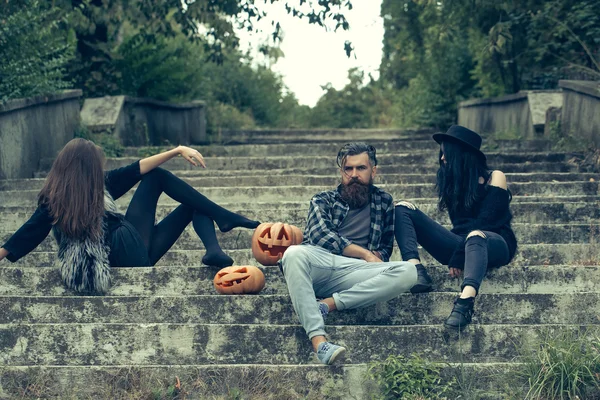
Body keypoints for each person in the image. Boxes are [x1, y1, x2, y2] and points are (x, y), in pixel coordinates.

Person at [0, 138, 260, 293]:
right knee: (156, 177)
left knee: (190, 204)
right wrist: (177, 150)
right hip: (126, 246)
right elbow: (140, 170)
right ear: (89, 167)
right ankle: (224, 219)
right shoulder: (97, 186)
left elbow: (26, 234)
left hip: (133, 258)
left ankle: (213, 250)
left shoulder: (54, 201)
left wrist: (176, 150)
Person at [281, 142, 418, 365]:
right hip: (321, 265)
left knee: (409, 271)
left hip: (355, 273)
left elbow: (385, 248)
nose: (354, 175)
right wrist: (364, 254)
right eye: (348, 169)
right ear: (341, 172)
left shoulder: (384, 202)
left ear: (373, 171)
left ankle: (326, 305)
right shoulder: (322, 199)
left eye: (361, 168)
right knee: (294, 253)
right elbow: (319, 236)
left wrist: (373, 257)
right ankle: (320, 343)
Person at [394, 125, 517, 331]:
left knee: (476, 235)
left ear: (461, 153)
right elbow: (459, 226)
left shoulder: (495, 177)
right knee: (402, 208)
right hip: (461, 243)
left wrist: (459, 256)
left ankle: (465, 303)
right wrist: (459, 250)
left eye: (446, 152)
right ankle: (415, 269)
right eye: (441, 153)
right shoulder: (453, 181)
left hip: (493, 242)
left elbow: (488, 222)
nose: (442, 158)